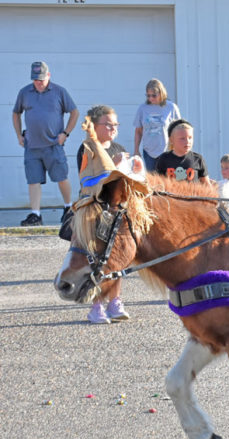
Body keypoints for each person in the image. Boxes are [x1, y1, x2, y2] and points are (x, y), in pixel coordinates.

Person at [75, 105, 130, 324]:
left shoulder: (119, 147)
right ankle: (96, 305)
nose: (113, 128)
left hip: (115, 210)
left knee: (116, 259)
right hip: (94, 209)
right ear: (94, 126)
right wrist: (112, 167)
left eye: (115, 124)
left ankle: (114, 301)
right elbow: (87, 180)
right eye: (108, 124)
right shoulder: (88, 147)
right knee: (96, 259)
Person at [11, 61, 79, 226]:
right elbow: (16, 113)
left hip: (53, 145)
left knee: (61, 177)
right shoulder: (25, 92)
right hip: (32, 146)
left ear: (48, 75)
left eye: (41, 79)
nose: (38, 82)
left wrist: (65, 133)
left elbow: (74, 112)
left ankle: (68, 208)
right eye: (35, 79)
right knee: (33, 180)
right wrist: (19, 136)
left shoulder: (59, 92)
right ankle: (36, 214)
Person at [133, 78, 181, 172]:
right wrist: (136, 150)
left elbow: (179, 129)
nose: (151, 98)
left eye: (154, 95)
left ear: (161, 93)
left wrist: (177, 148)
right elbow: (138, 131)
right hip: (149, 151)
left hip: (166, 150)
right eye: (148, 96)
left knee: (167, 179)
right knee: (152, 180)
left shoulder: (171, 107)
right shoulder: (142, 108)